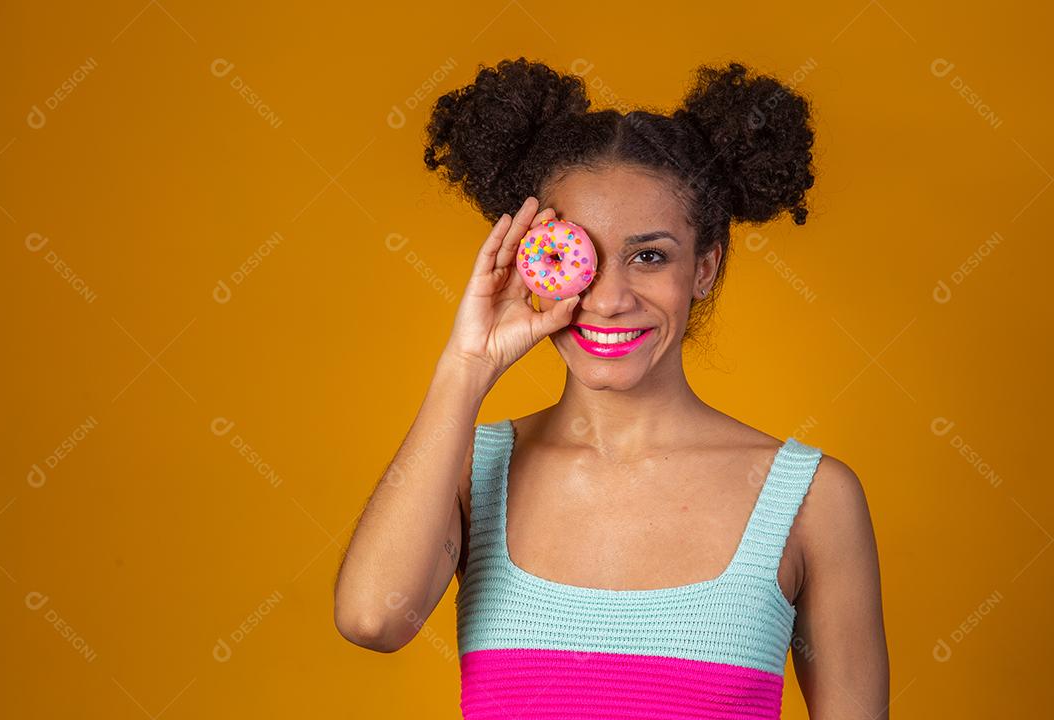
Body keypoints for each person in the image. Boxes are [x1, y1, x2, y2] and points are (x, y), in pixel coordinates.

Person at [335, 57, 889, 719]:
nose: (608, 299)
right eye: (576, 255)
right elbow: (371, 619)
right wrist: (466, 365)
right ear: (529, 261)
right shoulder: (469, 474)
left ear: (704, 267)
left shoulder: (813, 499)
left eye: (649, 256)